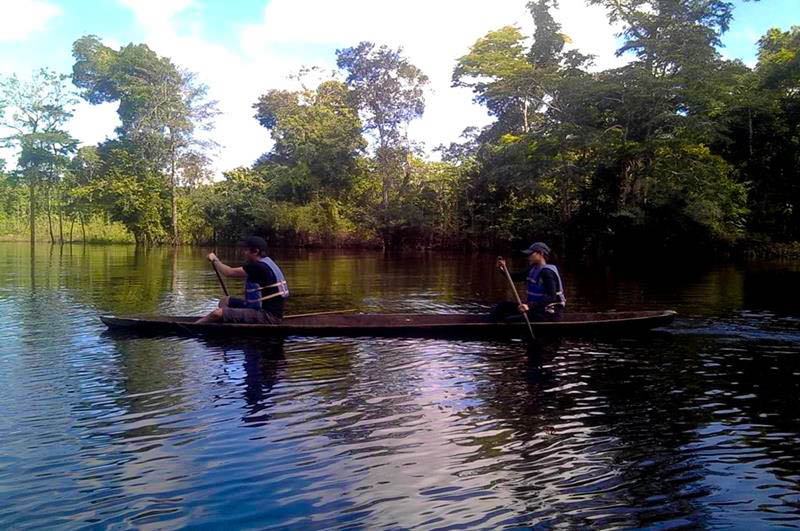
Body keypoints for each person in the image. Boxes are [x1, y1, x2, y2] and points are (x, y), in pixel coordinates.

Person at [196, 236, 289, 324]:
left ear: (256, 251)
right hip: (259, 309)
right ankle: (229, 320)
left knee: (217, 314)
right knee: (224, 301)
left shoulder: (258, 267)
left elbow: (229, 272)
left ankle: (195, 326)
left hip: (268, 316)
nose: (243, 253)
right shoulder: (268, 262)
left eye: (246, 250)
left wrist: (215, 259)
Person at [492, 241, 566, 322]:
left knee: (509, 320)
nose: (528, 256)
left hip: (549, 314)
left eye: (531, 254)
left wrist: (529, 306)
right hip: (536, 309)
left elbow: (551, 296)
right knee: (502, 306)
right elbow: (515, 277)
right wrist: (503, 269)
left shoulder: (547, 272)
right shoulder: (532, 268)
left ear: (540, 254)